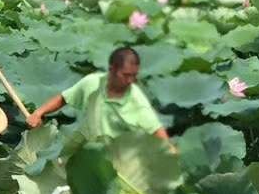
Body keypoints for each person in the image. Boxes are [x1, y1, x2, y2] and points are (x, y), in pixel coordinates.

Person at [26, 47, 170, 145]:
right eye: (126, 75)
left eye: (134, 76)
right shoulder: (92, 82)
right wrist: (39, 113)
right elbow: (63, 98)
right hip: (88, 151)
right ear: (112, 69)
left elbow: (158, 133)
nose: (130, 81)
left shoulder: (137, 100)